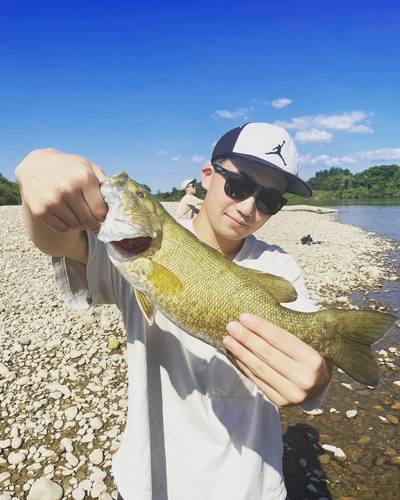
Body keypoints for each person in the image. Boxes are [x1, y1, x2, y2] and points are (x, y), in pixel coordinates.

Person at [15, 122, 333, 500]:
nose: (249, 207)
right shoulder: (131, 245)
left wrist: (319, 377)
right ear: (208, 175)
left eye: (269, 201)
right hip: (149, 483)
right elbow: (55, 240)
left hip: (249, 487)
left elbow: (316, 360)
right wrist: (36, 168)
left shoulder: (278, 265)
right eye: (240, 187)